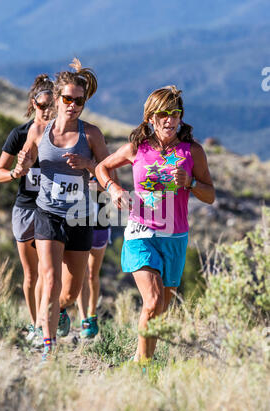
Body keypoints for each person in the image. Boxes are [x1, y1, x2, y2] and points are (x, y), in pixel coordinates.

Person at [95, 85, 215, 362]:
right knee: (152, 301)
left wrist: (192, 183)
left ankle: (140, 361)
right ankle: (144, 368)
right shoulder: (138, 148)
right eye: (163, 114)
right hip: (141, 233)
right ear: (151, 118)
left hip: (175, 238)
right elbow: (102, 167)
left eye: (175, 113)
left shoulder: (192, 151)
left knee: (160, 311)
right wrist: (113, 188)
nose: (170, 120)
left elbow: (210, 195)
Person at [16, 58, 110, 361]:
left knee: (69, 293)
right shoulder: (38, 130)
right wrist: (23, 164)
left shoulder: (91, 135)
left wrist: (89, 165)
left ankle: (62, 311)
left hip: (80, 216)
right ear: (56, 99)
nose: (73, 105)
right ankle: (48, 347)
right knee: (50, 279)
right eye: (67, 99)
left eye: (79, 100)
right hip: (48, 213)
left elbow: (110, 175)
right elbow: (26, 159)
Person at [0, 74, 55, 342]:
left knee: (47, 270)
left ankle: (44, 324)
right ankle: (34, 324)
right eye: (42, 106)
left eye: (52, 106)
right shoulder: (19, 134)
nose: (47, 111)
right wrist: (16, 173)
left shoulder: (61, 135)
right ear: (34, 104)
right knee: (31, 273)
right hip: (26, 208)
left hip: (51, 209)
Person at [76, 176, 112, 338]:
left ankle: (92, 315)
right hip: (78, 224)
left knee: (92, 275)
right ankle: (83, 319)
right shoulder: (73, 163)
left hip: (99, 226)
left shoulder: (103, 164)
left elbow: (115, 190)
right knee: (81, 275)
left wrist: (99, 187)